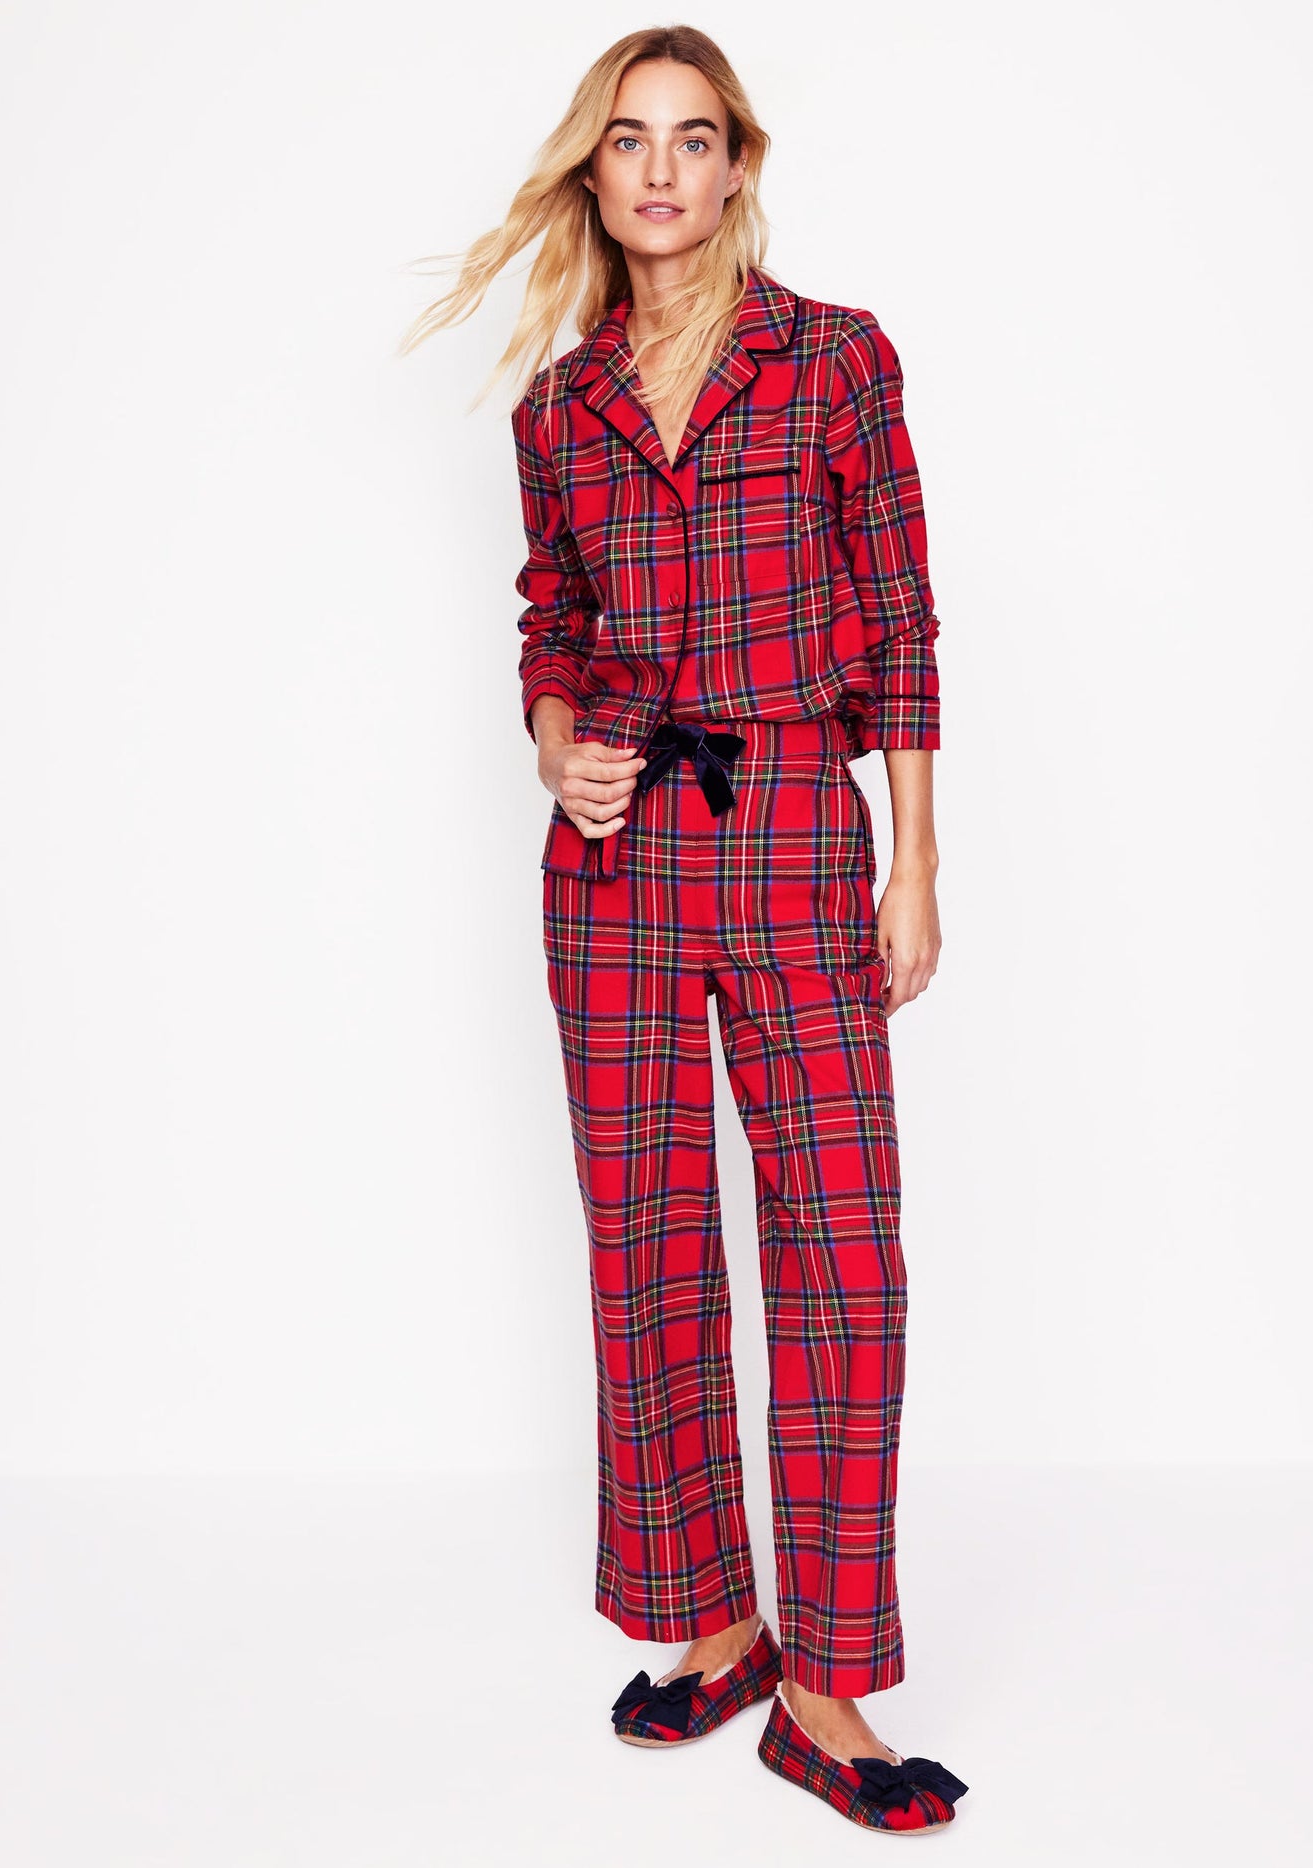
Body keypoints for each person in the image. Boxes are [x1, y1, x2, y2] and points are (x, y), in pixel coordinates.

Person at [403, 24, 966, 1837]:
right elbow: (550, 617)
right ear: (595, 169)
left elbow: (901, 615)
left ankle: (827, 1686)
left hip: (794, 829)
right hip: (616, 864)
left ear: (737, 164)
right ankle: (714, 1627)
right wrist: (555, 739)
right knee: (645, 1252)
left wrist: (912, 862)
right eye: (630, 139)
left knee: (842, 1258)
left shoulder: (835, 359)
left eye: (693, 137)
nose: (660, 169)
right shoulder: (558, 406)